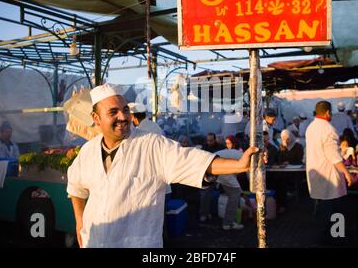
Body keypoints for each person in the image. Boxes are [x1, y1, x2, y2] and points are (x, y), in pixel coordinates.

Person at [66, 84, 261, 248]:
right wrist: (80, 221)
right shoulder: (88, 151)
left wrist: (239, 164)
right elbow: (76, 186)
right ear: (96, 118)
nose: (123, 117)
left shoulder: (151, 144)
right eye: (113, 112)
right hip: (95, 241)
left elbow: (191, 160)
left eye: (125, 110)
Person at [305, 101, 353, 244]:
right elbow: (334, 157)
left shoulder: (310, 127)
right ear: (328, 112)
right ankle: (335, 239)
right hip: (329, 175)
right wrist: (347, 173)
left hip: (316, 173)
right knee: (334, 209)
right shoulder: (328, 129)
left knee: (324, 207)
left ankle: (328, 238)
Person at [216, 148, 244, 230]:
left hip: (214, 162)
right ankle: (228, 223)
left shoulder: (241, 154)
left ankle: (204, 215)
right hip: (222, 169)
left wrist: (240, 190)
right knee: (234, 196)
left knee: (206, 193)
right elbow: (251, 179)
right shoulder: (250, 160)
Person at [199, 132, 225, 222]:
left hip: (221, 173)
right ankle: (204, 213)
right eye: (208, 140)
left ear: (214, 139)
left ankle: (222, 214)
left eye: (211, 140)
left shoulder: (221, 147)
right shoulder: (204, 147)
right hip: (208, 174)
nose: (209, 142)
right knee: (205, 194)